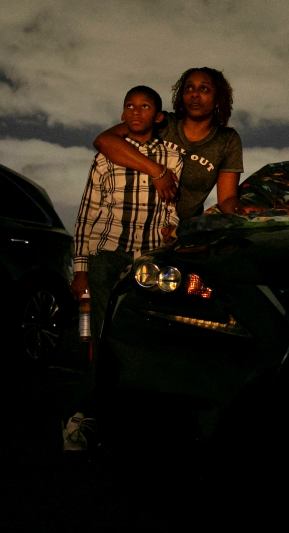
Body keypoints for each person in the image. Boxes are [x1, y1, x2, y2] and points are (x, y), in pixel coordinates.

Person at [64, 85, 182, 451]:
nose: (135, 112)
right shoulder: (105, 158)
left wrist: (172, 227)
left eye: (144, 106)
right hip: (107, 253)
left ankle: (139, 420)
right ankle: (86, 418)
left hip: (147, 258)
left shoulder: (172, 156)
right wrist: (80, 267)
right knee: (98, 336)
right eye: (129, 106)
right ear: (122, 115)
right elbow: (87, 213)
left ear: (158, 117)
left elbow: (170, 206)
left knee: (142, 334)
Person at [93, 68, 244, 223]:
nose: (194, 94)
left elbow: (227, 199)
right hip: (132, 225)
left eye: (204, 89)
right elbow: (104, 140)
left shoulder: (227, 140)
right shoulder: (161, 123)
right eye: (189, 88)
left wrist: (244, 212)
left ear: (218, 99)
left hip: (179, 233)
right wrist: (157, 171)